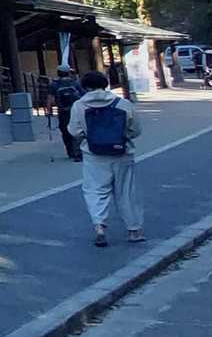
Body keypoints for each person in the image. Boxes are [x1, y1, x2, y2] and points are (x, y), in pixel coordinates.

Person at [67, 70, 144, 247]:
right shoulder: (123, 104)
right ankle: (134, 230)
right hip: (122, 153)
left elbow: (74, 131)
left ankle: (99, 226)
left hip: (93, 154)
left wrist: (90, 137)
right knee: (126, 191)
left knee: (95, 190)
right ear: (105, 84)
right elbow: (136, 130)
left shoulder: (79, 105)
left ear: (85, 87)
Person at [48, 65, 85, 162]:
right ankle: (78, 152)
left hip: (63, 111)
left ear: (58, 73)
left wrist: (49, 111)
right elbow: (83, 96)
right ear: (68, 73)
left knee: (65, 131)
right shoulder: (75, 83)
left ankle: (70, 152)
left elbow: (50, 100)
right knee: (77, 130)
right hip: (75, 110)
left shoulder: (54, 85)